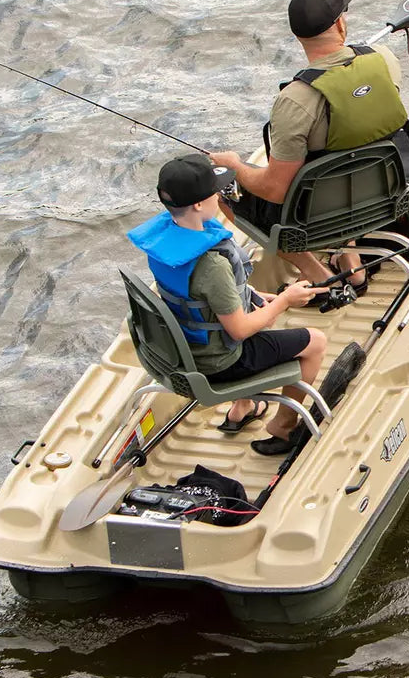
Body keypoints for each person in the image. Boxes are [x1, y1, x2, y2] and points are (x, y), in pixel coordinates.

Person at [211, 0, 409, 292]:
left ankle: (317, 274)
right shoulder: (384, 60)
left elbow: (276, 190)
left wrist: (234, 165)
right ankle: (351, 262)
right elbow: (362, 124)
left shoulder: (294, 100)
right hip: (382, 196)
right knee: (351, 154)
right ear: (341, 24)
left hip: (317, 216)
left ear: (297, 36)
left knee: (226, 192)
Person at [128, 153, 329, 456]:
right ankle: (283, 427)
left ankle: (244, 406)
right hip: (220, 363)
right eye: (215, 191)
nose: (221, 195)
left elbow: (196, 294)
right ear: (198, 204)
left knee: (258, 321)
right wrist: (285, 301)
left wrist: (254, 297)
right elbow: (239, 330)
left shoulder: (163, 244)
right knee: (316, 342)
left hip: (182, 352)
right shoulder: (212, 265)